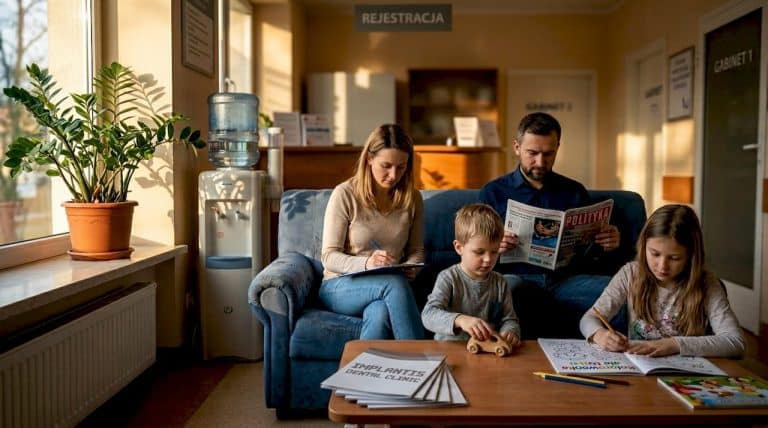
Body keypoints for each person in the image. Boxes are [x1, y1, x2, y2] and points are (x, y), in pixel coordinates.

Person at [479, 111, 622, 338]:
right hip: (518, 278)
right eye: (532, 153)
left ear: (557, 148)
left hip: (566, 280)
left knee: (619, 290)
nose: (540, 162)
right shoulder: (493, 192)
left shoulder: (574, 192)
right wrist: (494, 246)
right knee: (509, 290)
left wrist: (608, 243)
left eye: (548, 154)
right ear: (517, 147)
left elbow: (593, 257)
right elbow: (473, 251)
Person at [580, 204, 745, 358]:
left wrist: (674, 344)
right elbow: (589, 319)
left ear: (691, 256)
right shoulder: (630, 274)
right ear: (643, 246)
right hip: (640, 368)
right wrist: (600, 335)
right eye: (655, 254)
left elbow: (735, 341)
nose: (662, 266)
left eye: (674, 258)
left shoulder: (706, 283)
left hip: (686, 373)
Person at [319, 123, 424, 340]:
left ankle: (363, 373)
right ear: (369, 159)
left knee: (379, 312)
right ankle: (421, 362)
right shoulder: (345, 194)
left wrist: (412, 266)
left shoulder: (413, 198)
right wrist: (367, 263)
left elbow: (417, 250)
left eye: (401, 167)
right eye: (386, 165)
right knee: (394, 285)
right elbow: (328, 257)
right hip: (339, 285)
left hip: (386, 284)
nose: (393, 175)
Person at [421, 203, 521, 347]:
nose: (488, 259)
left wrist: (510, 331)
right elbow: (429, 315)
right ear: (459, 248)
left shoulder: (500, 282)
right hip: (450, 349)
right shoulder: (448, 278)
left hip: (486, 351)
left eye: (494, 252)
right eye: (479, 252)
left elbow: (509, 319)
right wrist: (460, 320)